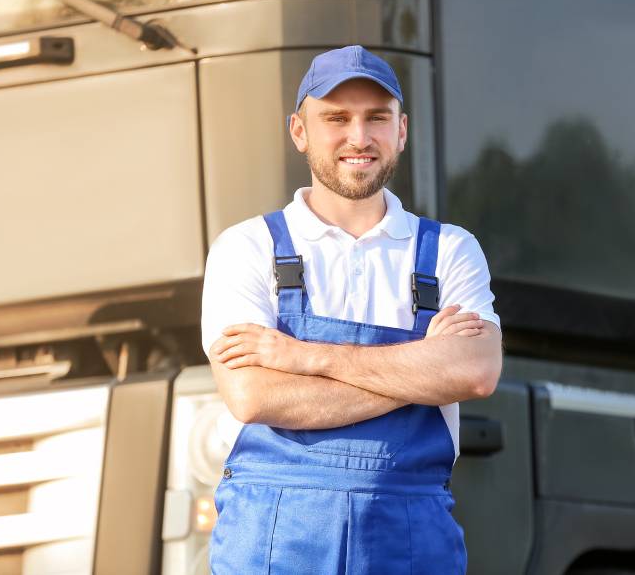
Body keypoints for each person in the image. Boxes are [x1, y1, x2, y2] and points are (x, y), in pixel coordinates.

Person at [201, 45, 502, 574]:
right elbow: (252, 395)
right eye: (336, 118)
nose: (358, 137)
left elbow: (475, 373)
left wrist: (303, 357)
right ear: (299, 131)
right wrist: (422, 371)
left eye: (376, 118)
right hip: (274, 538)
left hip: (410, 536)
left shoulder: (452, 250)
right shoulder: (247, 247)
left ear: (401, 131)